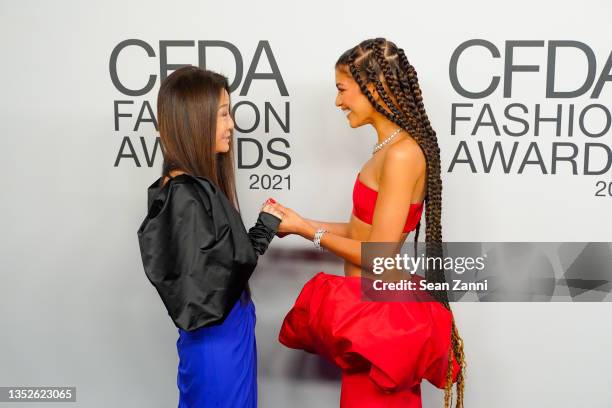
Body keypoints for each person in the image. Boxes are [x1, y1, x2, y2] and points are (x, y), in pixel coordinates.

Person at [271, 38, 467, 407]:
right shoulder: (387, 150)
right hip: (366, 319)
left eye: (342, 90)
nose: (337, 102)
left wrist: (307, 231)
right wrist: (298, 221)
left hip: (382, 323)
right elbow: (363, 230)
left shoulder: (402, 155)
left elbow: (378, 256)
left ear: (373, 88)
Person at [136, 66, 284, 408]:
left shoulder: (190, 188)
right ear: (194, 119)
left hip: (227, 338)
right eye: (221, 115)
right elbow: (207, 291)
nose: (231, 124)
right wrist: (263, 230)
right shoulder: (184, 195)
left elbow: (217, 265)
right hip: (217, 346)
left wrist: (264, 229)